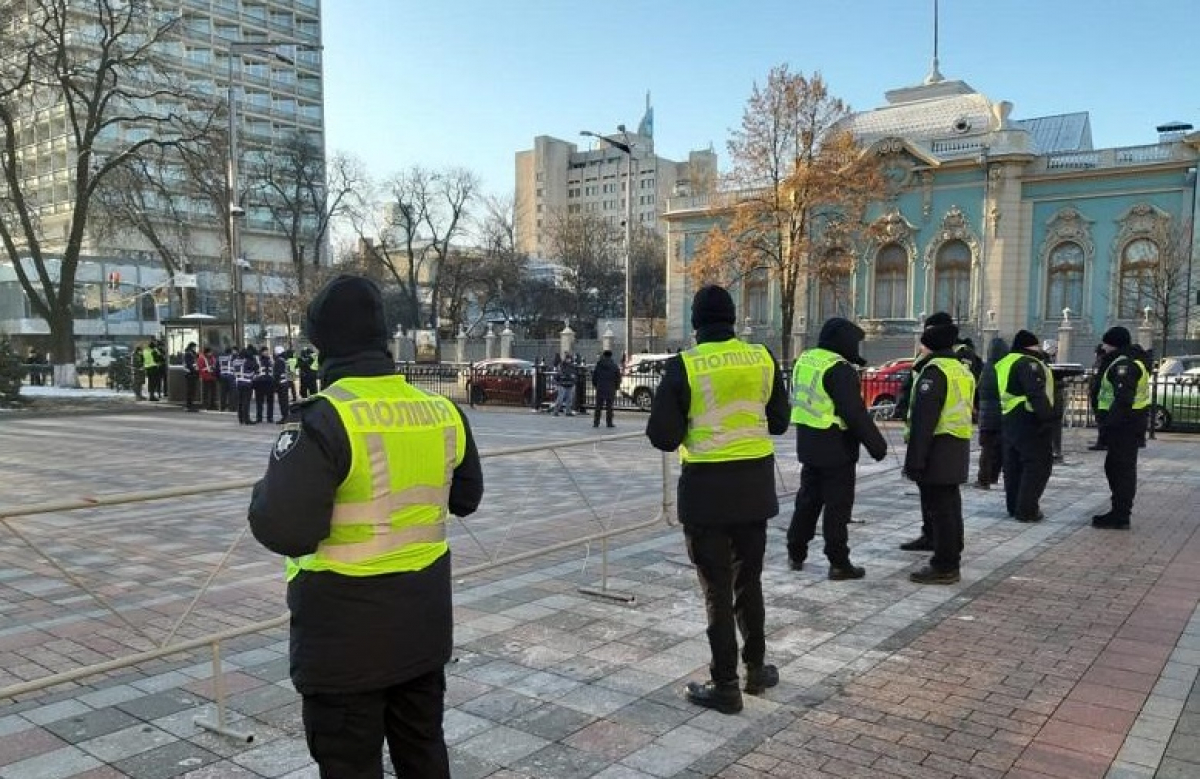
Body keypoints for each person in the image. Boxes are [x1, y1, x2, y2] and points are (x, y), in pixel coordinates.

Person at [248, 274, 483, 778]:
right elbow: (467, 498)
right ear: (382, 337)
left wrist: (264, 489)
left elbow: (284, 529)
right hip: (421, 631)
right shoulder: (441, 412)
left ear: (322, 344)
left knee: (350, 766)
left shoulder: (324, 420)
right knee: (423, 755)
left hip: (344, 642)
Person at [646, 284, 789, 714]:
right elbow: (779, 422)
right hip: (755, 489)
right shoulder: (761, 358)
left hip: (707, 492)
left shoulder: (684, 366)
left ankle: (724, 683)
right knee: (750, 582)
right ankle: (756, 669)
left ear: (695, 323)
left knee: (717, 590)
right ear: (731, 318)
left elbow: (663, 437)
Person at [787, 317, 888, 577]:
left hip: (808, 443)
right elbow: (854, 412)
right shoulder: (839, 369)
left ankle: (795, 551)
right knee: (837, 507)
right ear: (843, 342)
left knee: (807, 501)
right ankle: (839, 562)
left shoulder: (806, 360)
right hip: (836, 447)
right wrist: (877, 446)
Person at [903, 322, 976, 584]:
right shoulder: (960, 368)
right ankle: (951, 555)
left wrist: (914, 461)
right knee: (950, 505)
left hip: (938, 446)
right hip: (957, 443)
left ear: (928, 345)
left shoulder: (935, 372)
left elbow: (924, 421)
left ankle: (944, 565)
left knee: (940, 509)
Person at [1091, 326, 1150, 530]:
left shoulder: (1124, 364)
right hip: (1126, 424)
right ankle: (1118, 511)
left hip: (1123, 426)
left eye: (1106, 343)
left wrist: (1108, 424)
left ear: (1113, 344)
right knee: (1115, 468)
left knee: (1121, 470)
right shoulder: (1124, 361)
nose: (1103, 347)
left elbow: (1123, 399)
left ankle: (1120, 515)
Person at [996, 329, 1056, 523]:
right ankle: (1027, 510)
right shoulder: (1028, 362)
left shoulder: (1004, 362)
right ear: (1031, 346)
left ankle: (1014, 506)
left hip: (1008, 416)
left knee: (1013, 465)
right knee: (1037, 465)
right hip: (1029, 417)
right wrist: (1048, 419)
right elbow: (1036, 392)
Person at [972, 336, 1008, 489]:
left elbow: (977, 391)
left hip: (986, 416)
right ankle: (994, 477)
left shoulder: (985, 368)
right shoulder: (1005, 367)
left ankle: (983, 479)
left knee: (986, 449)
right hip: (1002, 414)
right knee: (1002, 449)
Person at [1087, 343, 1113, 451]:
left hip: (1100, 395)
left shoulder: (1101, 362)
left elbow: (1097, 378)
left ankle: (1102, 442)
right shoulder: (1104, 361)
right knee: (1102, 420)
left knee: (1102, 420)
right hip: (1101, 395)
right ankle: (1104, 441)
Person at [591, 349, 621, 428]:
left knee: (598, 406)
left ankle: (596, 422)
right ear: (611, 356)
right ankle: (609, 422)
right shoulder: (614, 365)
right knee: (609, 407)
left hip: (600, 388)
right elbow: (618, 377)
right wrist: (616, 387)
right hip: (611, 388)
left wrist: (596, 385)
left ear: (604, 355)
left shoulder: (599, 365)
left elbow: (594, 377)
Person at [253, 345, 275, 423]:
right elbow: (254, 370)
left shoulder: (271, 359)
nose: (267, 352)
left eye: (267, 351)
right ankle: (259, 418)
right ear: (261, 352)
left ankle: (270, 418)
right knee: (259, 401)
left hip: (270, 382)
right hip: (260, 382)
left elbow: (274, 369)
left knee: (270, 401)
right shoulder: (257, 359)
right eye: (265, 351)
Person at [234, 346, 256, 425]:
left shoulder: (235, 361)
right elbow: (255, 368)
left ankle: (241, 419)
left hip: (239, 383)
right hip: (247, 383)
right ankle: (247, 419)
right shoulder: (247, 361)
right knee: (246, 402)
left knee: (240, 402)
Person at [272, 346, 292, 424]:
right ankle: (286, 417)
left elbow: (277, 374)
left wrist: (275, 386)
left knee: (283, 402)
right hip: (285, 383)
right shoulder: (285, 360)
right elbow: (290, 372)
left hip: (281, 384)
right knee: (285, 401)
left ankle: (285, 418)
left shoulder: (278, 361)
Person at [198, 346, 218, 411]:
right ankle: (205, 405)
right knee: (205, 392)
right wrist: (209, 369)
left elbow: (215, 365)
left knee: (213, 392)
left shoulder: (212, 358)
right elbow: (201, 369)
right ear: (206, 353)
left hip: (212, 377)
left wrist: (213, 369)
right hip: (206, 377)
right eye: (210, 352)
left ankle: (212, 405)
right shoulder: (201, 359)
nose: (211, 354)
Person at [183, 341, 200, 412]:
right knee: (190, 391)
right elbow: (190, 364)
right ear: (192, 347)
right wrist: (195, 369)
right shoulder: (188, 354)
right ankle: (189, 406)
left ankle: (190, 405)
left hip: (193, 374)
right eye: (194, 347)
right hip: (190, 374)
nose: (195, 348)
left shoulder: (192, 354)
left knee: (192, 390)